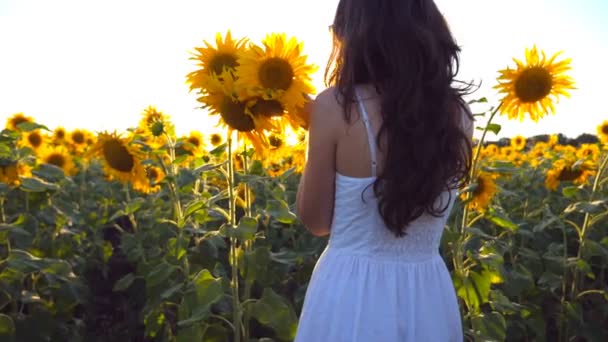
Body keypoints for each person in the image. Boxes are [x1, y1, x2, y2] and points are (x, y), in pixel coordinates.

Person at [294, 0, 475, 341]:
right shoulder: (460, 115)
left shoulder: (334, 107)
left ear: (353, 34)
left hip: (351, 293)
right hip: (427, 293)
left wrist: (313, 140)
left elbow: (315, 221)